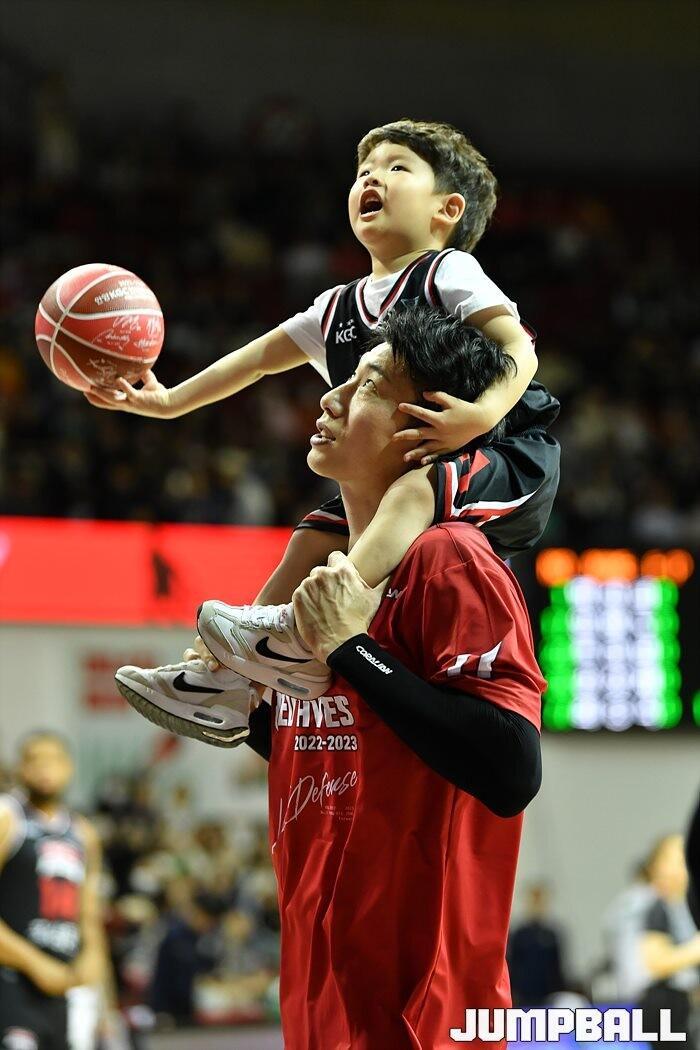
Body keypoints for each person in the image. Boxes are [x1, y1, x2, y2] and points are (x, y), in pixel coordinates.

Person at [91, 118, 559, 739]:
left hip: (507, 450)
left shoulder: (448, 271)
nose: (372, 178)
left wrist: (479, 414)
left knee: (414, 491)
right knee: (311, 537)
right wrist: (168, 401)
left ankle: (306, 627)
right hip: (418, 460)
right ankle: (227, 681)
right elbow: (256, 361)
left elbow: (519, 349)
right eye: (364, 170)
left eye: (396, 167)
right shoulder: (337, 306)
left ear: (447, 209)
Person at [194, 307, 541, 1047]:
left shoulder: (450, 557)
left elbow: (510, 766)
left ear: (426, 425)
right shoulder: (322, 573)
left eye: (368, 386)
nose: (331, 397)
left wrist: (352, 649)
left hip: (427, 1013)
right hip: (322, 1002)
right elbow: (358, 748)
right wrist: (239, 711)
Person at [0, 732, 110, 1050]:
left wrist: (95, 972)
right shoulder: (9, 818)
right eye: (34, 759)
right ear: (20, 769)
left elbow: (89, 917)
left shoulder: (83, 833)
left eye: (53, 759)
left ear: (69, 767)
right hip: (12, 980)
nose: (44, 768)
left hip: (62, 986)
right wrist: (34, 963)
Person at [637, 834, 700, 1049]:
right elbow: (655, 962)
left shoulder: (683, 905)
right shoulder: (653, 906)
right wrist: (694, 950)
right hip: (664, 1006)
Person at [508, 883, 567, 1006]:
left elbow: (557, 968)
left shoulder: (552, 935)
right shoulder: (519, 935)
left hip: (548, 996)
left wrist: (558, 992)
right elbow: (512, 966)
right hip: (523, 996)